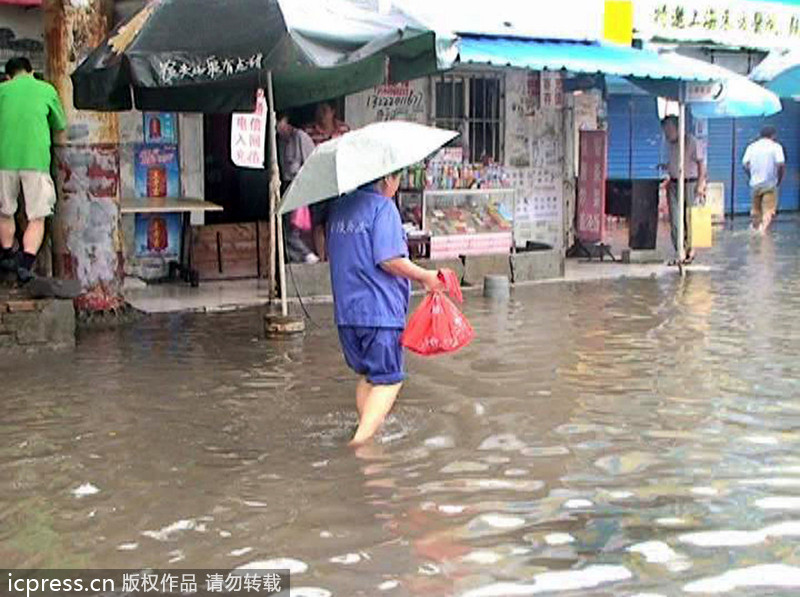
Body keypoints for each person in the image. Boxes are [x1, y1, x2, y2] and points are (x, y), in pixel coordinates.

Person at [327, 171, 443, 446]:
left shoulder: (339, 209)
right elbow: (389, 259)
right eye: (397, 179)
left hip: (347, 314)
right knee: (390, 379)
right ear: (388, 178)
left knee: (369, 377)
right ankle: (360, 443)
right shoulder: (383, 207)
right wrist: (426, 276)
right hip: (379, 311)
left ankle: (368, 435)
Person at [0, 57, 66, 283]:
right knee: (37, 216)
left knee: (5, 211)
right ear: (31, 71)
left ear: (8, 76)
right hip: (36, 161)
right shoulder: (46, 90)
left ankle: (8, 255)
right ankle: (26, 264)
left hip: (4, 160)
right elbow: (59, 124)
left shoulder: (2, 90)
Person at [305, 101, 350, 260]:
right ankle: (322, 259)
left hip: (340, 183)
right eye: (319, 110)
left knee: (337, 222)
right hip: (318, 184)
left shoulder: (344, 130)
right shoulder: (308, 132)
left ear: (333, 111)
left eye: (324, 110)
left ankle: (334, 257)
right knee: (318, 223)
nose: (321, 114)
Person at [661, 115, 707, 264]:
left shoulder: (691, 141)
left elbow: (701, 164)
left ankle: (691, 250)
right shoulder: (669, 144)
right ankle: (679, 250)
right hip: (674, 183)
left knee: (692, 218)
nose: (667, 134)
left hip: (690, 183)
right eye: (665, 130)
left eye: (669, 130)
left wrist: (701, 184)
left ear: (678, 128)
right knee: (675, 219)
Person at [276, 112, 319, 264]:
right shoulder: (280, 141)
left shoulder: (301, 137)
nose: (277, 127)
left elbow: (312, 163)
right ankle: (299, 259)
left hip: (299, 186)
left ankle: (307, 255)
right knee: (286, 229)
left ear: (287, 121)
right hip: (286, 186)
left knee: (292, 230)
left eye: (279, 122)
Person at [743, 125, 785, 234]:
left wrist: (751, 175)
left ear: (760, 135)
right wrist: (779, 178)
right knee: (768, 211)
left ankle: (755, 230)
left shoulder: (751, 147)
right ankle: (763, 232)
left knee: (756, 211)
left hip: (755, 184)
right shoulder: (776, 147)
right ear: (773, 135)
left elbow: (745, 164)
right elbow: (781, 164)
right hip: (770, 184)